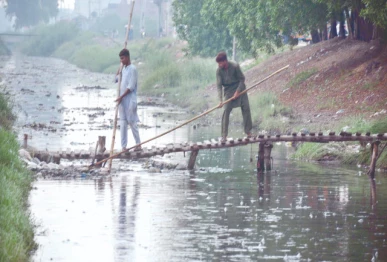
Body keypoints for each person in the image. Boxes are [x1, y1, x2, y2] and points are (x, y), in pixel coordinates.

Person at [216, 51, 253, 142]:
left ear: (225, 61)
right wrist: (220, 100)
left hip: (239, 89)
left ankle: (248, 132)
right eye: (218, 63)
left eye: (220, 63)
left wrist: (237, 91)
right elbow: (219, 86)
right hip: (228, 91)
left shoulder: (235, 66)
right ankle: (224, 135)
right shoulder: (219, 71)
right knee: (226, 110)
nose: (219, 65)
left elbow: (242, 79)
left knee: (246, 108)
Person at [115, 48, 141, 151]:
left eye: (122, 58)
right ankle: (124, 147)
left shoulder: (132, 69)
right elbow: (116, 80)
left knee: (132, 122)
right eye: (120, 59)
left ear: (127, 57)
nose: (121, 60)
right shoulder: (123, 69)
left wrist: (121, 97)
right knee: (123, 124)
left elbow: (130, 87)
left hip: (130, 100)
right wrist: (119, 69)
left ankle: (138, 145)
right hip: (122, 102)